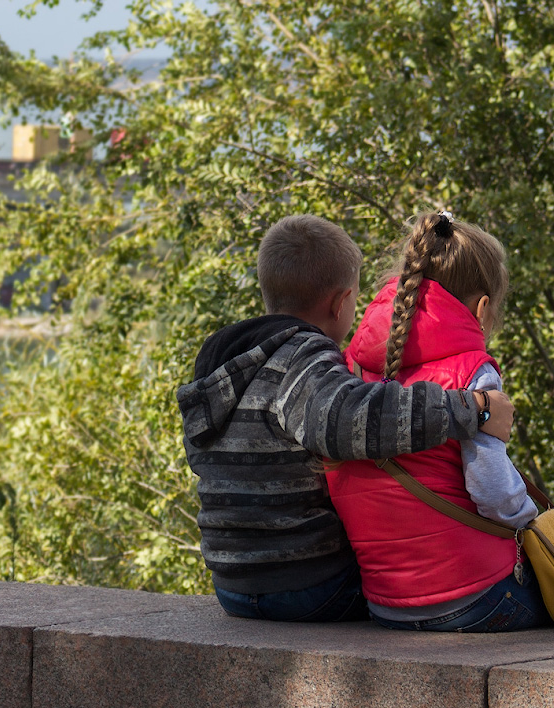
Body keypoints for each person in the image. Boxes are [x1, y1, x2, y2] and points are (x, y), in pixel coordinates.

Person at [176, 214, 515, 622]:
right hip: (309, 585)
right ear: (340, 303)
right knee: (393, 591)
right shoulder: (305, 360)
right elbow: (355, 421)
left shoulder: (222, 364)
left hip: (231, 585)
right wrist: (471, 408)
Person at [326, 211, 547, 632]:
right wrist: (532, 521)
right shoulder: (473, 373)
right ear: (482, 308)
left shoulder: (350, 363)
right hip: (471, 594)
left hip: (384, 602)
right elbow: (494, 493)